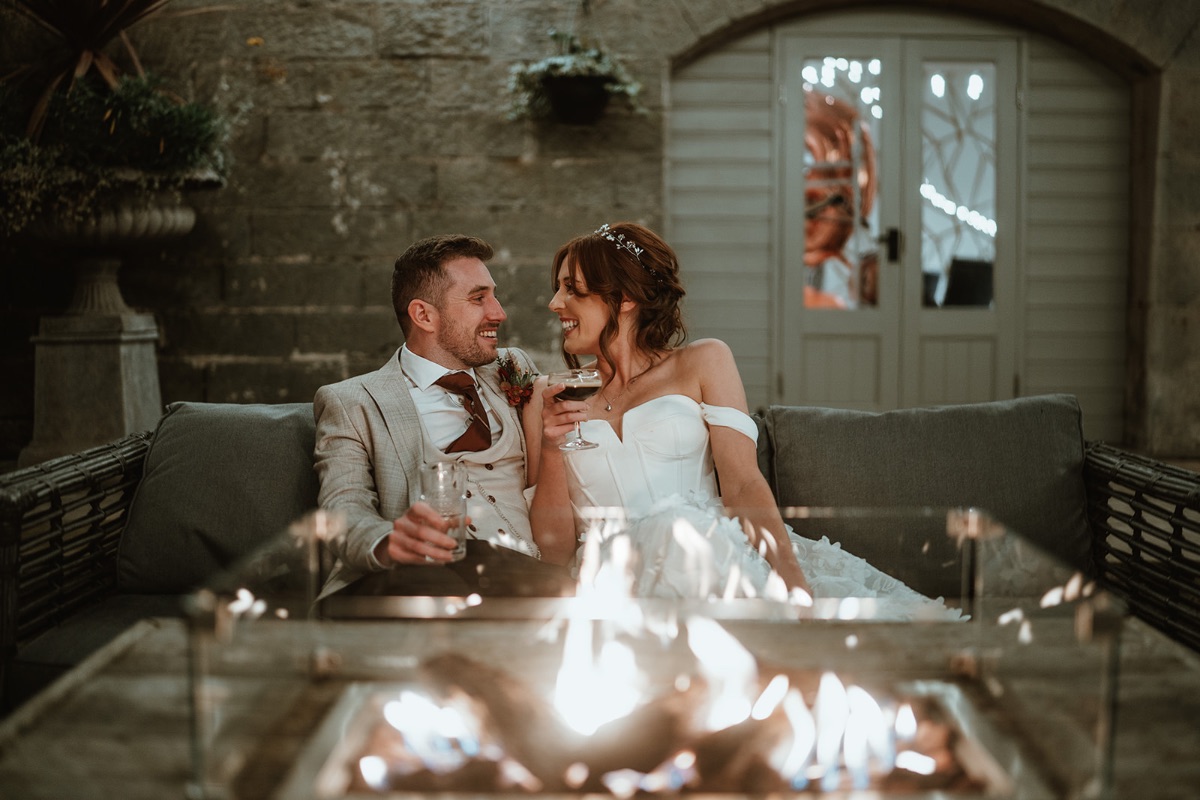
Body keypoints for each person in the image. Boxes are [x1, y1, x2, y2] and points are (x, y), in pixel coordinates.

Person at [525, 222, 960, 617]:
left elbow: (743, 483)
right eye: (558, 289)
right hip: (613, 576)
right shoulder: (548, 396)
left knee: (678, 531)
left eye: (572, 290)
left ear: (626, 299)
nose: (554, 303)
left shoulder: (703, 361)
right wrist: (551, 448)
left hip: (708, 553)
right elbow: (554, 551)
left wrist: (792, 580)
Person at [313, 234, 545, 597]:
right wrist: (390, 542)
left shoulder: (514, 367)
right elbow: (342, 509)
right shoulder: (352, 402)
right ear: (423, 315)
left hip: (527, 574)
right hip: (418, 580)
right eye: (478, 298)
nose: (499, 313)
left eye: (494, 296)